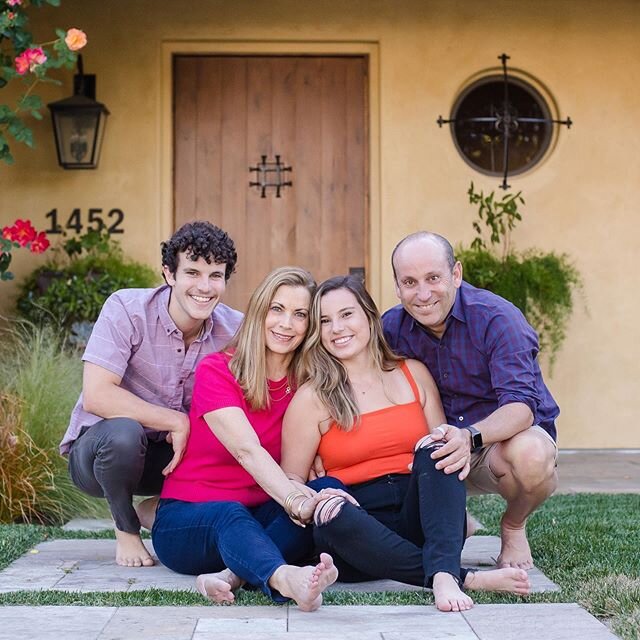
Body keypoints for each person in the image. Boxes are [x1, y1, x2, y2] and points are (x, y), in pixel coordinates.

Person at [281, 275, 531, 612]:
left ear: (370, 316)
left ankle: (442, 570)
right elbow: (291, 481)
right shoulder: (312, 398)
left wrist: (447, 445)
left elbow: (445, 455)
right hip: (358, 530)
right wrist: (318, 496)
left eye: (346, 315)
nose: (336, 328)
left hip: (424, 519)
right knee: (330, 516)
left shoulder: (414, 373)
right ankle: (459, 576)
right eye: (324, 320)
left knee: (440, 444)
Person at [151, 267, 348, 612]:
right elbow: (247, 450)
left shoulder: (308, 384)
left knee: (325, 489)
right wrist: (296, 502)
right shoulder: (218, 370)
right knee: (235, 514)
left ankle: (231, 576)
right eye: (277, 309)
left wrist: (311, 488)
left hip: (261, 512)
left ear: (310, 325)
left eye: (300, 314)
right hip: (188, 519)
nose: (286, 324)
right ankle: (285, 579)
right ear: (259, 311)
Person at [60, 221, 243, 568]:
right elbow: (97, 395)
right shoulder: (127, 310)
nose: (204, 287)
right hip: (101, 456)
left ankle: (157, 511)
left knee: (239, 444)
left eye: (215, 275)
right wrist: (175, 419)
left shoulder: (235, 329)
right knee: (124, 433)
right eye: (192, 272)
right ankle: (126, 530)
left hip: (172, 458)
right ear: (168, 274)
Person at [382, 231, 559, 570]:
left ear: (456, 275)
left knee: (532, 458)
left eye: (433, 278)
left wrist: (470, 436)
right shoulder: (391, 327)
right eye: (409, 282)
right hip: (437, 447)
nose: (422, 294)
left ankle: (513, 525)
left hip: (498, 443)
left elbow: (521, 407)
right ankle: (457, 519)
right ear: (397, 286)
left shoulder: (497, 319)